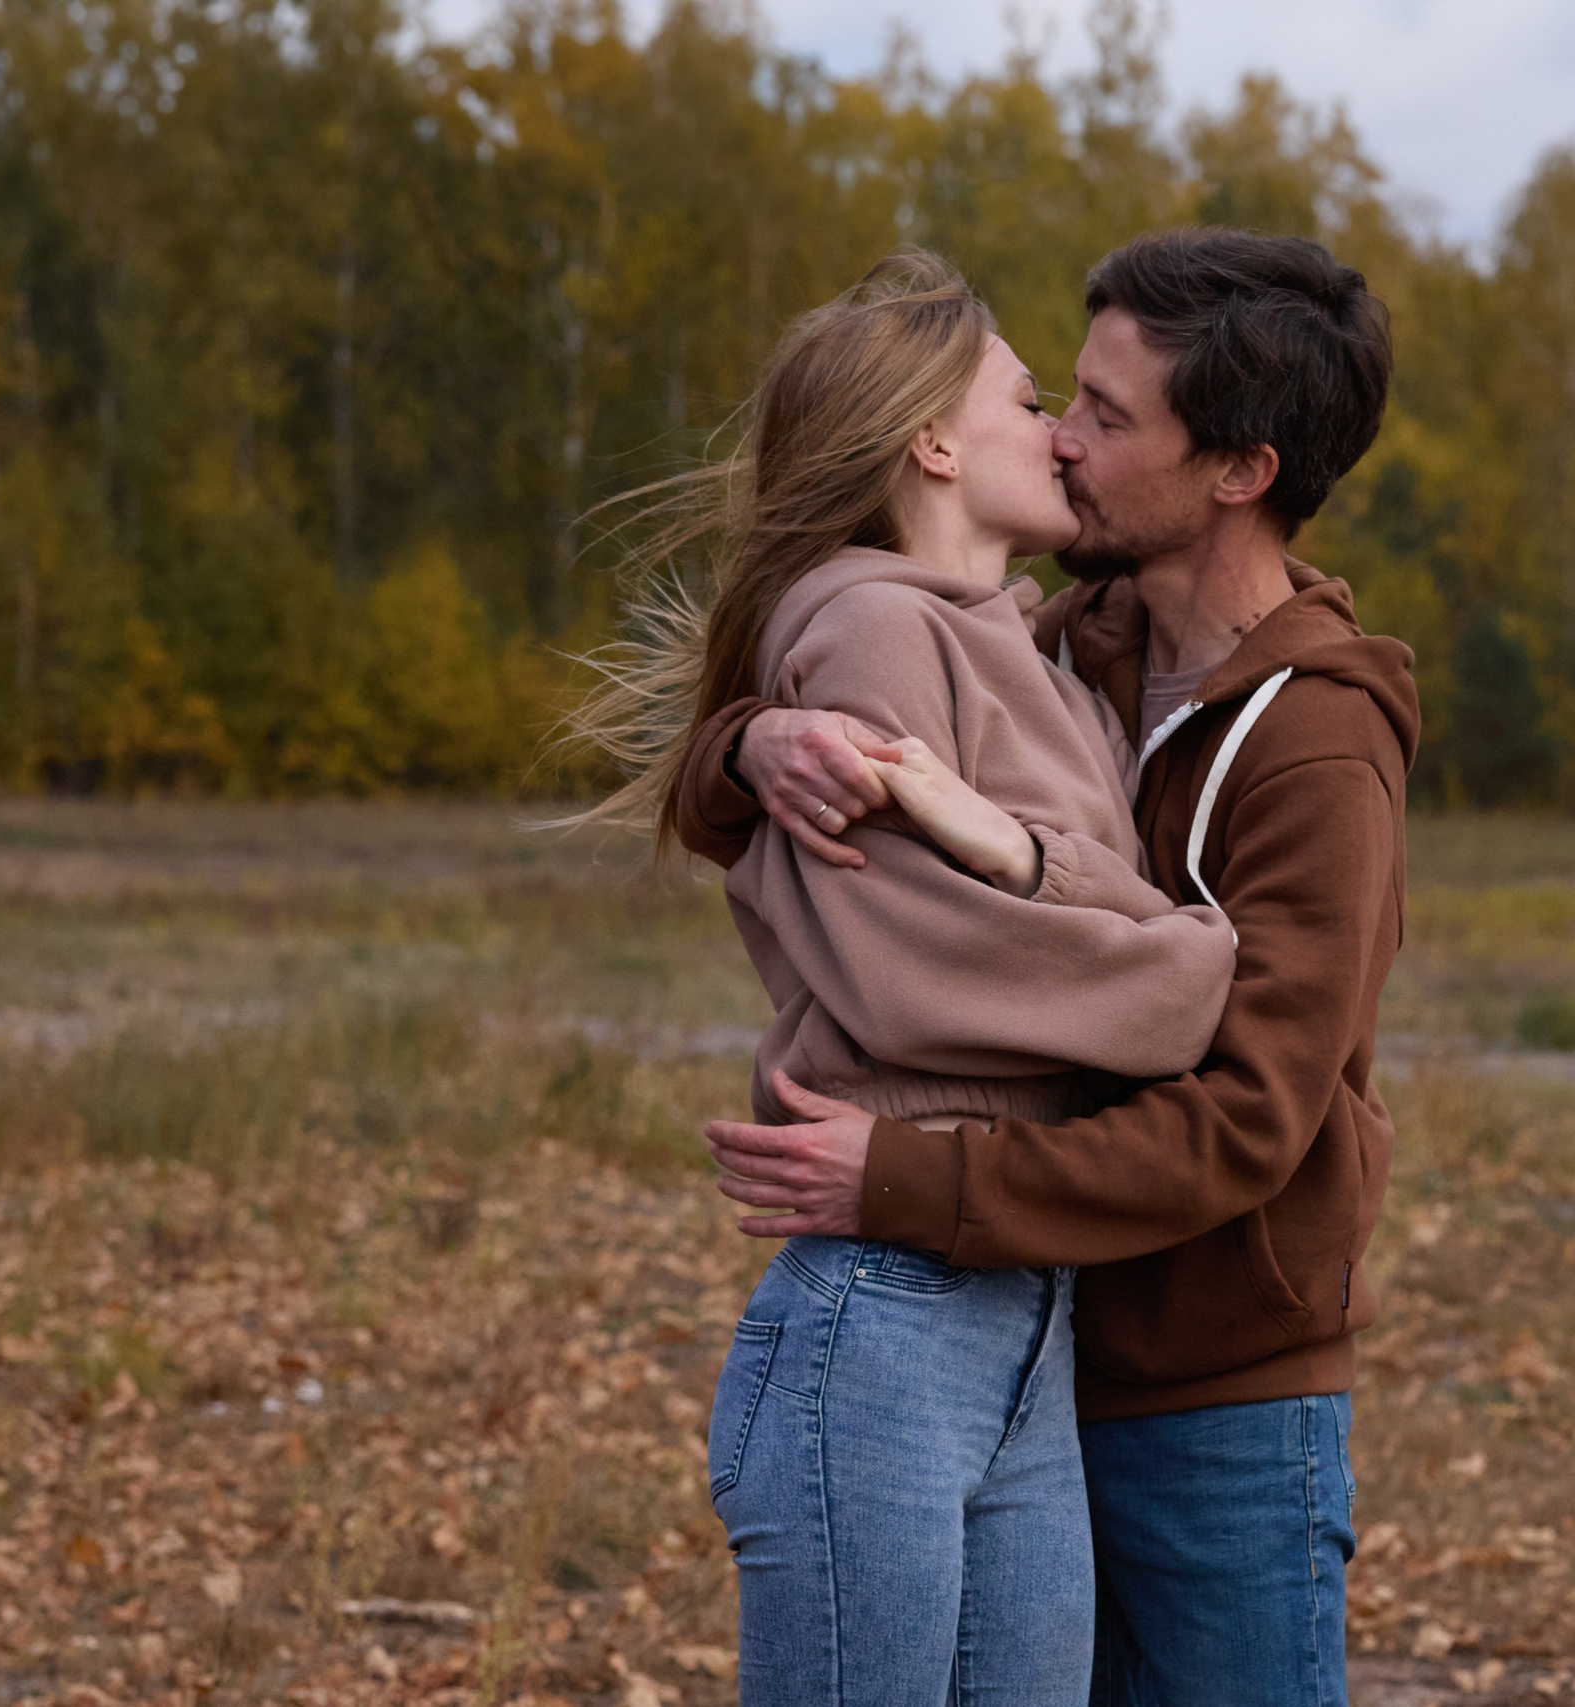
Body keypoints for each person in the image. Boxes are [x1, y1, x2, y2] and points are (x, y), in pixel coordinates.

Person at [688, 228, 1417, 1707]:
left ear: (1237, 470)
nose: (1068, 443)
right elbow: (821, 768)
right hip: (1030, 1348)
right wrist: (755, 746)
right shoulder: (1062, 645)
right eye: (1055, 399)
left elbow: (1251, 1115)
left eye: (1105, 416)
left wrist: (916, 1182)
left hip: (1219, 1401)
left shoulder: (1317, 745)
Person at [564, 252, 1239, 1705]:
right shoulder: (871, 627)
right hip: (885, 1326)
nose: (1062, 431)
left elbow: (1064, 922)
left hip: (1025, 1314)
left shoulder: (1039, 663)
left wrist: (1020, 858)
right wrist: (1179, 965)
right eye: (1029, 398)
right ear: (933, 442)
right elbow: (924, 972)